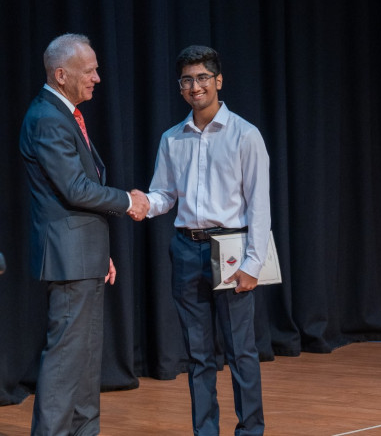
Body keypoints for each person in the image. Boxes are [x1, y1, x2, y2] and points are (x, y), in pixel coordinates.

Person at [19, 33, 148, 435]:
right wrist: (127, 200)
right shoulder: (47, 117)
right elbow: (75, 189)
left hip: (82, 253)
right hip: (67, 257)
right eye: (89, 71)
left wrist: (98, 250)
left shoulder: (65, 113)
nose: (97, 78)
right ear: (61, 75)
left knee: (86, 359)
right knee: (65, 361)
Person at [139, 45, 271, 435]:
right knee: (198, 355)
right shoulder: (172, 138)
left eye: (202, 78)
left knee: (241, 351)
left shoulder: (245, 135)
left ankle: (250, 431)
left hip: (230, 248)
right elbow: (164, 195)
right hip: (185, 248)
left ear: (218, 81)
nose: (195, 87)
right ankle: (205, 431)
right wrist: (141, 203)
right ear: (179, 87)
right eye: (187, 80)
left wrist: (253, 263)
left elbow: (259, 205)